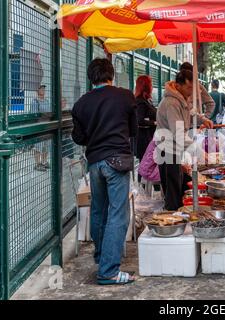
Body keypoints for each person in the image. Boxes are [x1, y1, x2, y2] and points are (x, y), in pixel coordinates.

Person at [72, 58, 137, 285]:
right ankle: (109, 271)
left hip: (95, 163)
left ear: (92, 78)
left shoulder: (80, 104)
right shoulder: (125, 96)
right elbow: (133, 129)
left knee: (99, 210)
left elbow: (78, 137)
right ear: (111, 74)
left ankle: (102, 257)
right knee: (118, 214)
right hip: (117, 161)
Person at [155, 70, 213, 210]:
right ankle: (173, 220)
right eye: (188, 88)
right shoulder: (171, 103)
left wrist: (202, 118)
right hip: (168, 151)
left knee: (178, 186)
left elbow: (191, 113)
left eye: (192, 88)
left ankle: (178, 213)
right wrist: (198, 151)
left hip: (176, 149)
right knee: (173, 191)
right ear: (179, 85)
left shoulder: (181, 98)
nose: (190, 91)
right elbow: (178, 133)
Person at [134, 75, 157, 182]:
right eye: (151, 84)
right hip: (144, 139)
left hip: (148, 137)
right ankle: (142, 188)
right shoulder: (140, 101)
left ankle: (145, 187)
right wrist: (155, 122)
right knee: (145, 165)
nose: (152, 87)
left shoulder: (146, 100)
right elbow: (140, 120)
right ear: (146, 86)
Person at [32, 85, 50, 171]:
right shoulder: (35, 101)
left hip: (46, 127)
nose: (43, 90)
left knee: (46, 146)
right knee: (38, 146)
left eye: (44, 89)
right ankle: (37, 164)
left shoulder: (46, 101)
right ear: (37, 91)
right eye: (41, 89)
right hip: (39, 127)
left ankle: (44, 162)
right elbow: (33, 115)